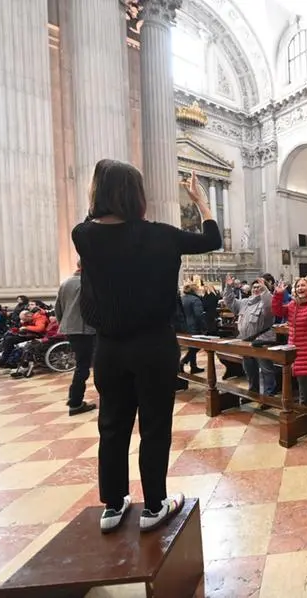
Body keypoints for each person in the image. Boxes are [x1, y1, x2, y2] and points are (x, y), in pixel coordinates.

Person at [72, 161, 222, 534]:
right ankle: (154, 505)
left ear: (98, 192)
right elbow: (211, 240)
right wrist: (201, 202)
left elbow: (95, 227)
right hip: (154, 343)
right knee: (155, 427)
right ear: (137, 195)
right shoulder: (162, 236)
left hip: (109, 347)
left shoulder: (83, 235)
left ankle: (113, 504)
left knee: (111, 425)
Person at [272, 277, 307, 409]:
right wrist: (278, 295)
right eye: (298, 286)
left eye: (303, 285)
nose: (300, 288)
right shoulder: (292, 305)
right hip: (296, 348)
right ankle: (303, 406)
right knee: (300, 379)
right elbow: (277, 311)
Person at [223, 275, 278, 395]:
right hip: (246, 341)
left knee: (266, 370)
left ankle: (269, 394)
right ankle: (253, 392)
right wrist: (228, 287)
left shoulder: (267, 302)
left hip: (262, 341)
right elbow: (230, 301)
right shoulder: (244, 303)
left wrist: (265, 291)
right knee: (249, 369)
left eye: (259, 287)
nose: (256, 289)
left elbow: (269, 308)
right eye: (254, 287)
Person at [55, 261, 98, 416]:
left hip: (71, 329)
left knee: (81, 363)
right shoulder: (87, 283)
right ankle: (75, 402)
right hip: (86, 329)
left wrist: (64, 325)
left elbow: (57, 308)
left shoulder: (65, 283)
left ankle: (73, 396)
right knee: (85, 366)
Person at [179, 282, 206, 374]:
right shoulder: (195, 299)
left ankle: (193, 366)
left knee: (192, 346)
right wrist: (204, 327)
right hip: (194, 326)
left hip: (184, 326)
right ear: (194, 290)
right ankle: (183, 361)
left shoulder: (182, 299)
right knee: (198, 346)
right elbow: (199, 315)